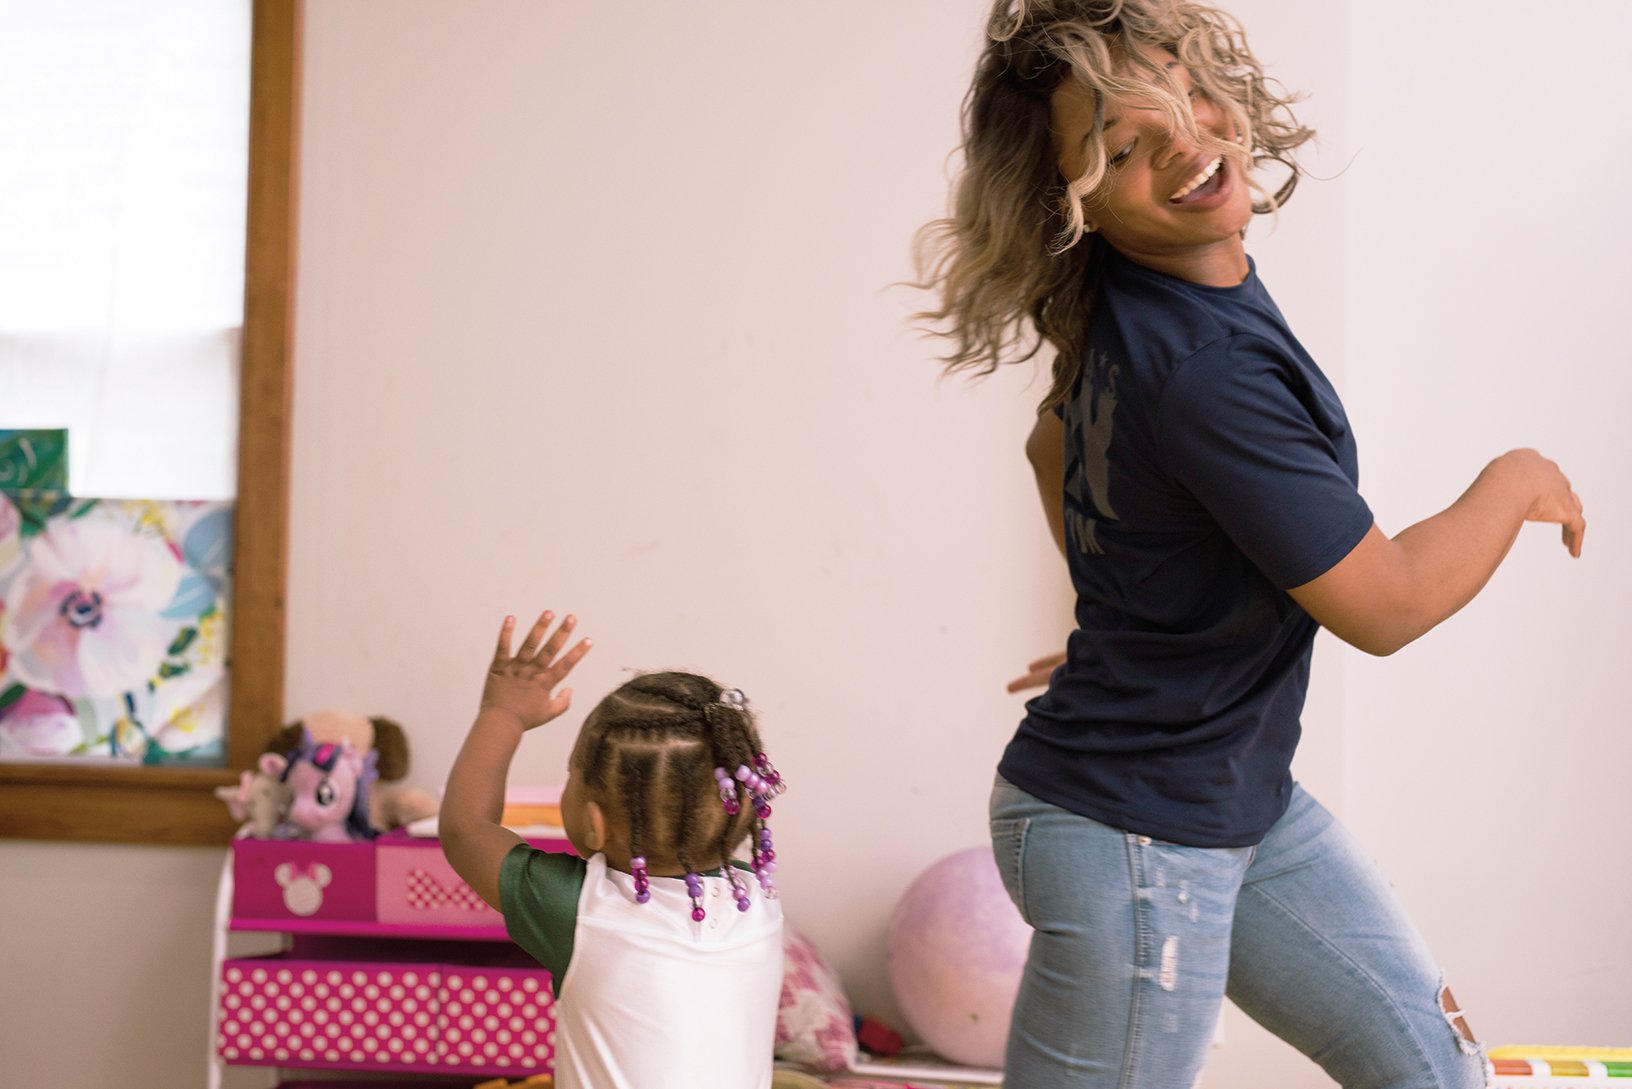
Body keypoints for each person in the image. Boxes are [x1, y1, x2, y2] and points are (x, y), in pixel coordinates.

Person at [915, 2, 1585, 1087]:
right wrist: (1510, 484)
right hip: (1134, 833)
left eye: (1185, 97)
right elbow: (1386, 605)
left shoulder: (1146, 299)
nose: (1183, 143)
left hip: (1229, 794)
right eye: (1124, 149)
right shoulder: (1207, 373)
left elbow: (1054, 449)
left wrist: (1136, 619)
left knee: (1433, 1068)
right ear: (1074, 204)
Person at [441, 610, 788, 1089]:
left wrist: (502, 713)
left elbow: (464, 828)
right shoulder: (759, 901)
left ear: (594, 823)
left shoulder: (581, 908)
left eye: (571, 775)